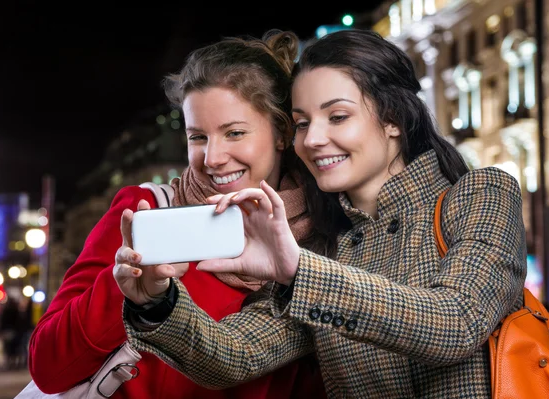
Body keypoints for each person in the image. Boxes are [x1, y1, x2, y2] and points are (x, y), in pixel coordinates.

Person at [118, 29, 527, 398]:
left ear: (394, 119)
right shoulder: (325, 246)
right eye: (301, 123)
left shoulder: (481, 193)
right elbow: (235, 355)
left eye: (337, 117)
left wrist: (298, 271)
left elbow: (457, 323)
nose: (312, 139)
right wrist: (157, 302)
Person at [28, 29, 326, 398]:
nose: (212, 158)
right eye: (197, 137)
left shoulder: (322, 239)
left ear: (281, 133)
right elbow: (47, 367)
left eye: (234, 133)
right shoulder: (145, 211)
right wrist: (127, 291)